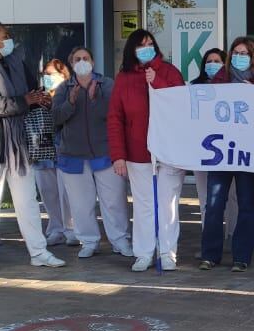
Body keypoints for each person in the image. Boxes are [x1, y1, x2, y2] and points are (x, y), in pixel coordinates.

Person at [0, 19, 65, 272]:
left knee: (27, 201)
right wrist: (23, 101)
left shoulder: (14, 62)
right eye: (4, 35)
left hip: (18, 144)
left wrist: (39, 98)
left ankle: (39, 251)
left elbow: (29, 91)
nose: (9, 39)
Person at [109, 29, 187, 271]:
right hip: (137, 153)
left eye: (150, 44)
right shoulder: (123, 79)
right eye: (141, 45)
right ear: (133, 50)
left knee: (167, 205)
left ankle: (167, 253)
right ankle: (143, 252)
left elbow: (181, 106)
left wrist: (157, 82)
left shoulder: (169, 72)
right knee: (143, 205)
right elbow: (115, 118)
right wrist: (118, 155)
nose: (147, 48)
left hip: (167, 151)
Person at [197, 36, 254, 272]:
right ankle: (210, 254)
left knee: (247, 204)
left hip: (248, 154)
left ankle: (242, 255)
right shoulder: (218, 82)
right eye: (236, 53)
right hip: (220, 152)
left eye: (244, 53)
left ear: (253, 57)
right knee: (214, 203)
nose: (239, 57)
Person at [50, 46, 131, 260]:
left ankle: (120, 239)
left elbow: (115, 115)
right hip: (73, 157)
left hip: (105, 154)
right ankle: (88, 241)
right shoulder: (63, 89)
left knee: (114, 201)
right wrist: (71, 102)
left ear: (93, 62)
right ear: (71, 63)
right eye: (78, 58)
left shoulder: (107, 85)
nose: (82, 61)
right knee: (80, 204)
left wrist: (95, 100)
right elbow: (56, 118)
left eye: (86, 58)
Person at [28, 57, 74, 248]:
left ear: (63, 75)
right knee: (48, 192)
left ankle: (71, 229)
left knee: (67, 193)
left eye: (50, 74)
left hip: (64, 149)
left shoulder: (70, 92)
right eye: (44, 75)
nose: (46, 78)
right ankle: (55, 229)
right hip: (42, 149)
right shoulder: (38, 95)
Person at [190, 48, 226, 220]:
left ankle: (231, 233)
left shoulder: (234, 85)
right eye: (209, 61)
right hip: (201, 147)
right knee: (204, 194)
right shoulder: (193, 87)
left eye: (217, 61)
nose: (212, 65)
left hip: (229, 148)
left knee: (230, 196)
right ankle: (207, 230)